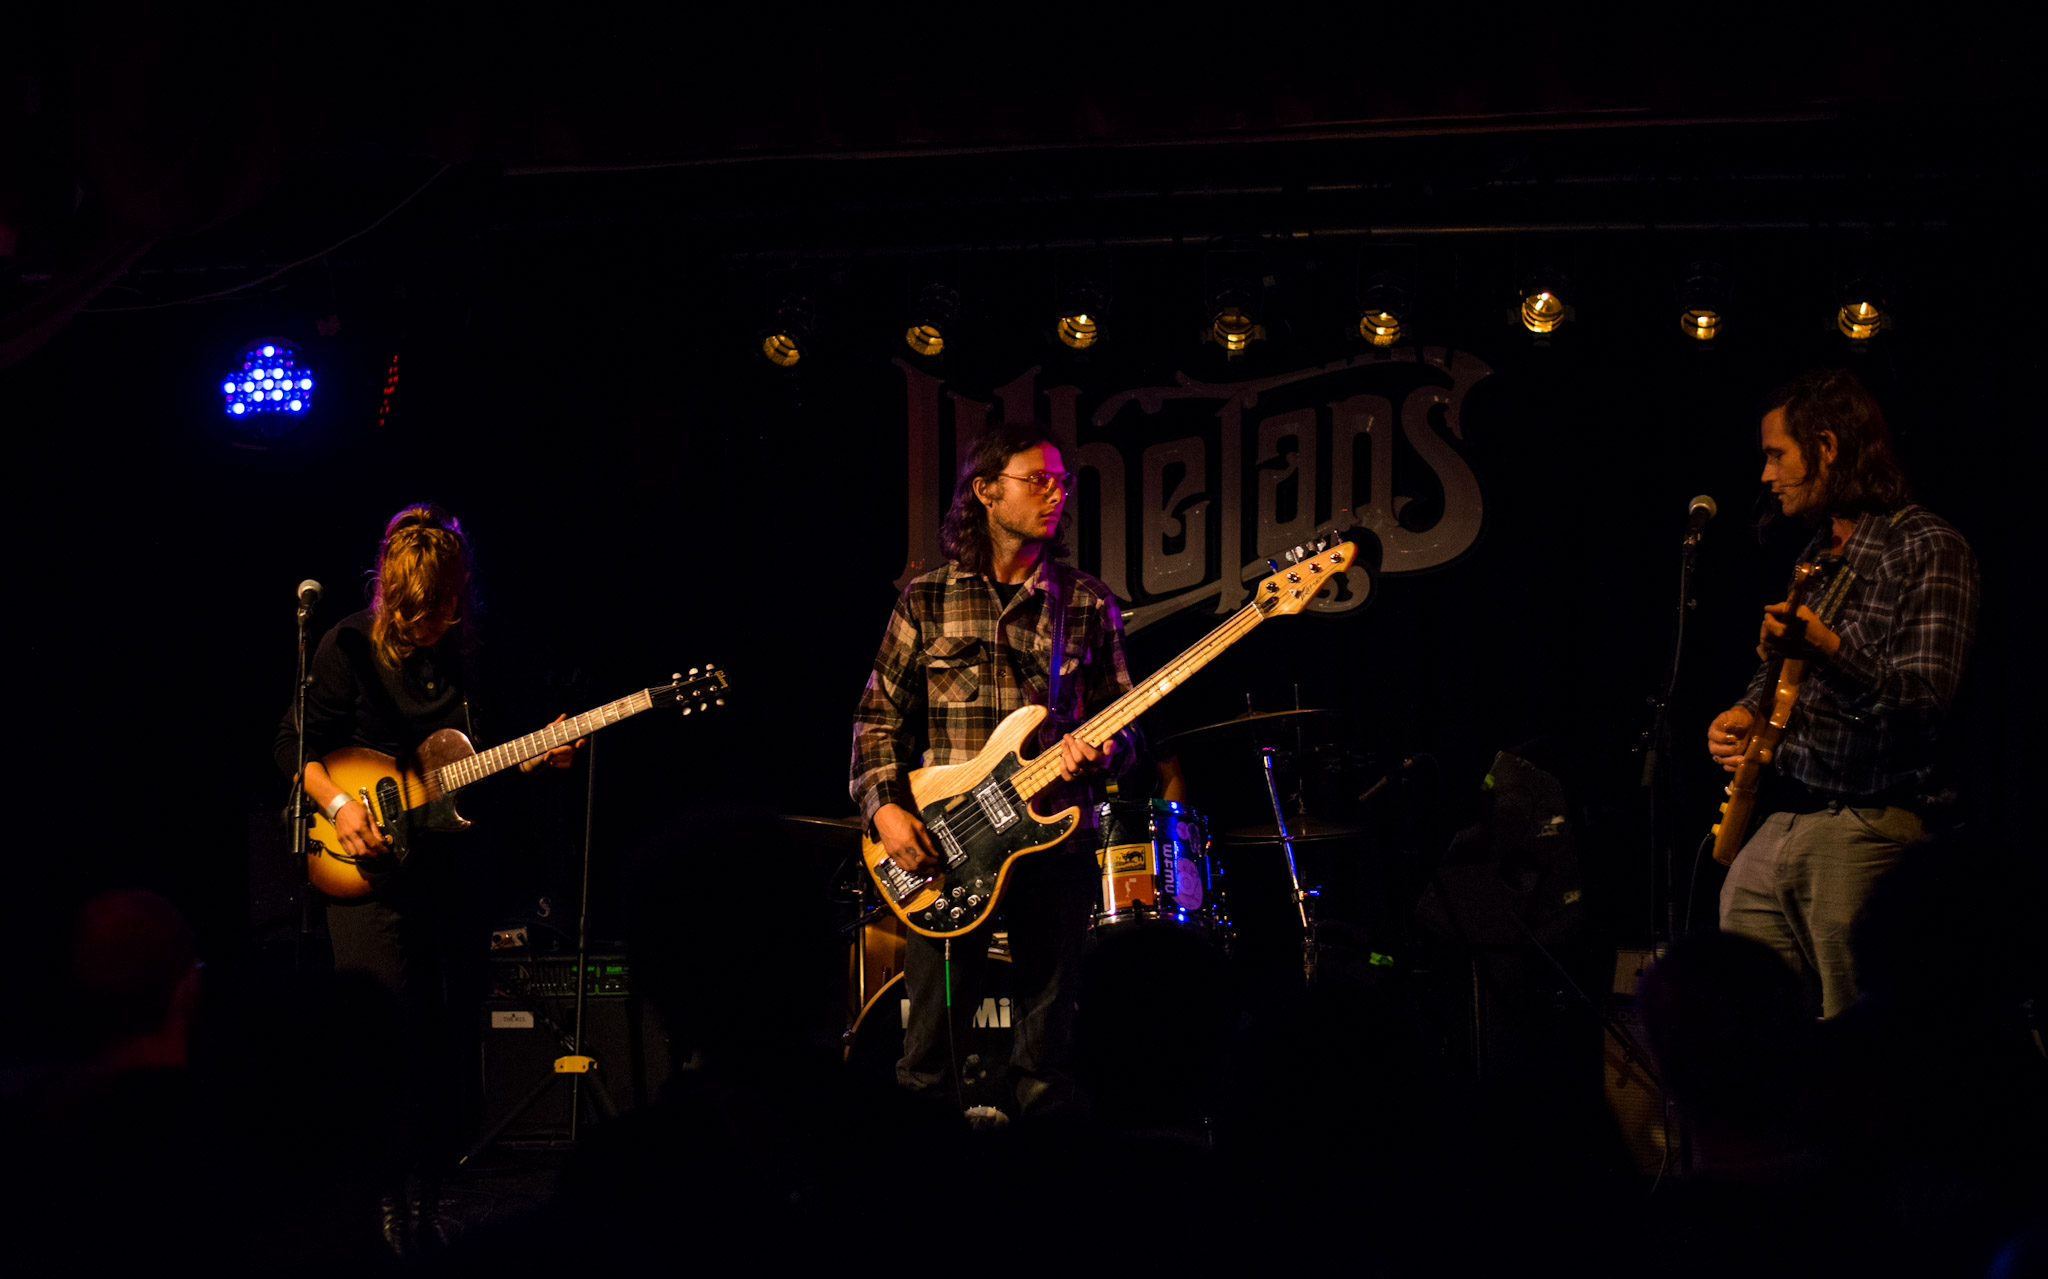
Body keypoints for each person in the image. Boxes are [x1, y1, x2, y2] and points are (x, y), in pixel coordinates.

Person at [272, 502, 579, 1254]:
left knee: (451, 1028)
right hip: (368, 869)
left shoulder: (475, 656)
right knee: (385, 1027)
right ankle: (378, 1197)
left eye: (441, 613)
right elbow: (294, 748)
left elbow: (492, 752)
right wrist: (341, 804)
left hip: (454, 868)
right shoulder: (344, 643)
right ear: (389, 597)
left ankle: (437, 1195)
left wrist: (541, 753)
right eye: (415, 616)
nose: (428, 627)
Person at [851, 421, 1139, 1116]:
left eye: (1061, 480)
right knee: (927, 1062)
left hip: (1053, 847)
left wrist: (1104, 750)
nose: (1056, 492)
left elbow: (1125, 728)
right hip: (946, 850)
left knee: (1046, 1063)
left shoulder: (1086, 602)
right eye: (1036, 478)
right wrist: (887, 810)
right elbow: (877, 720)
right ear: (984, 491)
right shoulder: (926, 599)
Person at [1705, 369, 1977, 1019]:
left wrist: (1830, 646)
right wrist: (1744, 711)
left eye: (1777, 454)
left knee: (1857, 1037)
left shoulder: (1928, 546)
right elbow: (1781, 673)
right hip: (1782, 817)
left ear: (1826, 446)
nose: (1766, 475)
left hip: (1865, 825)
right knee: (1749, 1024)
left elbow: (1925, 697)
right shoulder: (1815, 556)